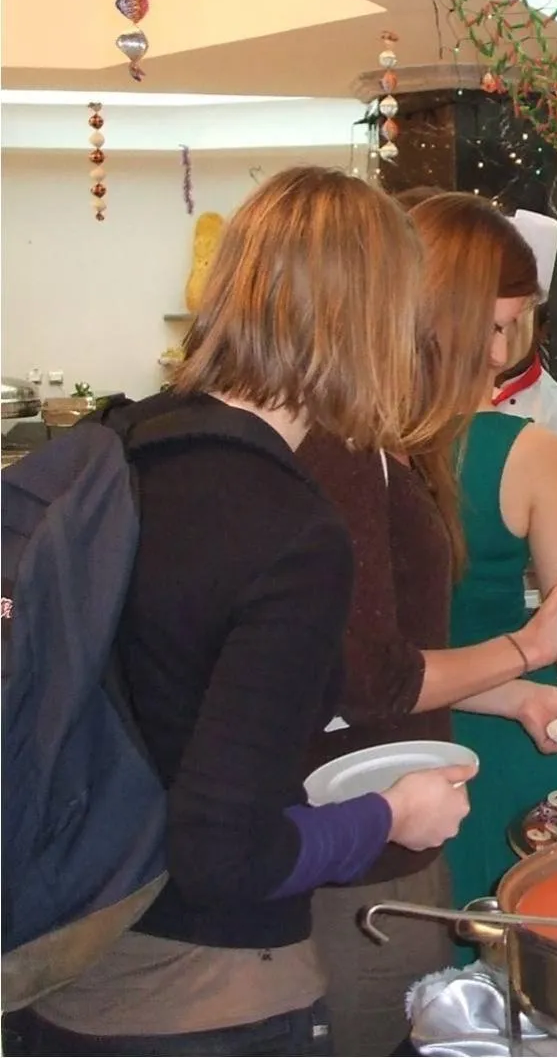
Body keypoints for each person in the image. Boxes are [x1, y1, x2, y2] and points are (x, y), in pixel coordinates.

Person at [12, 168, 472, 1056]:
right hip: (196, 997)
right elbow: (226, 850)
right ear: (367, 324)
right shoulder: (292, 527)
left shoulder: (123, 445)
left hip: (65, 950)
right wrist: (390, 817)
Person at [293, 193, 557, 1054]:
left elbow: (394, 651)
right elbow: (376, 674)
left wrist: (520, 699)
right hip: (365, 825)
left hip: (413, 799)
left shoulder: (397, 449)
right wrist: (535, 649)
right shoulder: (350, 451)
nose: (502, 354)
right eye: (495, 328)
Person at [429, 197, 557, 917]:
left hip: (404, 743)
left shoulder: (359, 446)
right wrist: (554, 617)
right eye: (495, 328)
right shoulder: (530, 450)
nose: (501, 353)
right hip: (509, 736)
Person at [487, 210, 557, 443]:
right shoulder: (447, 395)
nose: (502, 338)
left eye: (514, 322)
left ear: (543, 330)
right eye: (495, 324)